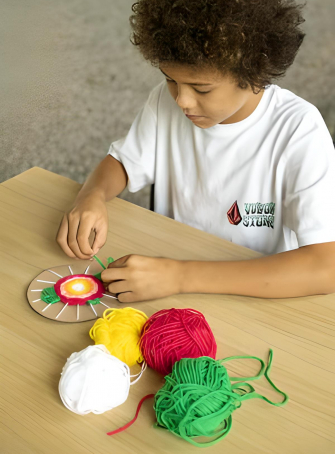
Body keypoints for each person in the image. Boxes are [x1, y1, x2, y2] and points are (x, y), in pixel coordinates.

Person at [57, 0, 335, 302]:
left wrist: (179, 276)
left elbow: (325, 267)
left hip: (249, 295)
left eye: (201, 89)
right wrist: (91, 196)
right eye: (170, 80)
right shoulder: (165, 100)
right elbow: (123, 163)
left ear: (256, 72)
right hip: (164, 284)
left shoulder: (298, 130)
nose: (182, 101)